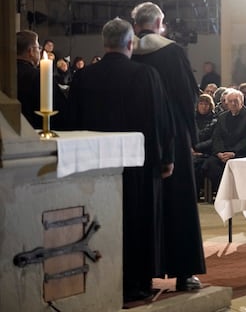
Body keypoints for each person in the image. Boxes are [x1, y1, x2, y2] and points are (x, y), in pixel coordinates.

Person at [67, 18, 175, 303]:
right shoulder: (146, 74)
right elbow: (162, 121)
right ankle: (136, 284)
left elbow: (70, 124)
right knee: (138, 222)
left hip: (93, 170)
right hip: (139, 168)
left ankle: (98, 278)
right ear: (131, 43)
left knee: (97, 221)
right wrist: (167, 158)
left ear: (104, 44)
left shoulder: (83, 77)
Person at [130, 1, 205, 291]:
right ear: (160, 23)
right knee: (180, 204)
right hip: (173, 134)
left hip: (139, 136)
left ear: (135, 25)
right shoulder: (173, 51)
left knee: (142, 203)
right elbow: (188, 96)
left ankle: (141, 274)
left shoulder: (129, 51)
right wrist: (191, 137)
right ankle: (184, 273)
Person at [203, 89, 246, 188]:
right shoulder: (222, 117)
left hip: (241, 154)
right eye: (230, 101)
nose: (233, 104)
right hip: (223, 154)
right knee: (211, 163)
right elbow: (217, 137)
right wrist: (219, 152)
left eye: (236, 101)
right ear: (226, 103)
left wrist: (233, 153)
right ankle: (222, 192)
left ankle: (237, 192)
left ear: (241, 101)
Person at [16, 30, 68, 129]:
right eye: (38, 48)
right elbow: (61, 109)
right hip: (37, 131)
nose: (40, 51)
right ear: (31, 51)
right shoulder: (41, 76)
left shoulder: (6, 75)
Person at [193, 93, 218, 200]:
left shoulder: (215, 120)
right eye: (201, 103)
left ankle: (196, 193)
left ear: (210, 106)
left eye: (206, 104)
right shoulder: (191, 118)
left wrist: (196, 149)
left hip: (207, 151)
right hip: (190, 151)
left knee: (198, 164)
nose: (203, 106)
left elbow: (213, 140)